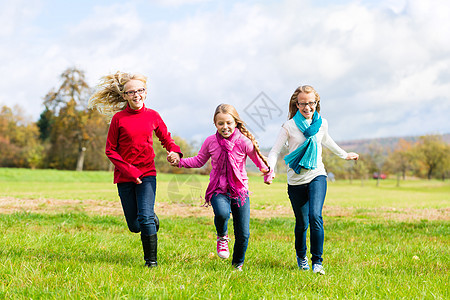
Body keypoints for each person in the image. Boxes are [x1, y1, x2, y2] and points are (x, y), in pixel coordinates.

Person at [89, 71, 182, 268]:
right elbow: (110, 150)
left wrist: (175, 152)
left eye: (140, 90)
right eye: (131, 92)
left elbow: (167, 139)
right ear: (124, 96)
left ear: (146, 93)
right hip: (125, 177)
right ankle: (151, 218)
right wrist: (130, 171)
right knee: (134, 225)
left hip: (147, 174)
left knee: (145, 217)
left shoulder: (153, 116)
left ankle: (151, 263)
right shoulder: (118, 119)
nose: (136, 95)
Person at [266, 85, 359, 275]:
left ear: (317, 103)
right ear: (296, 104)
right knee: (302, 223)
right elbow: (275, 150)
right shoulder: (289, 126)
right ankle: (301, 257)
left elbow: (326, 140)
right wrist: (271, 168)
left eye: (312, 103)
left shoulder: (322, 123)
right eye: (303, 104)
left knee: (315, 216)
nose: (308, 108)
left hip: (317, 174)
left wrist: (344, 155)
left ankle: (317, 262)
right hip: (296, 180)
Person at [168, 104, 273, 271]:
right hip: (218, 189)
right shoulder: (210, 141)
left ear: (236, 123)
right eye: (220, 123)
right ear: (215, 124)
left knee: (243, 234)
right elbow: (199, 160)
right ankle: (222, 236)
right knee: (222, 213)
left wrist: (268, 173)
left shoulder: (244, 142)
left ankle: (237, 265)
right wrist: (179, 162)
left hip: (240, 191)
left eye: (229, 123)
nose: (225, 127)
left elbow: (260, 161)